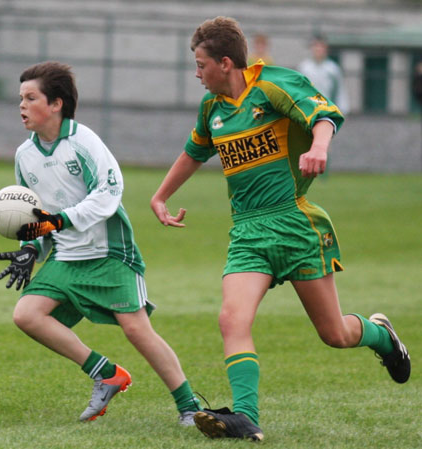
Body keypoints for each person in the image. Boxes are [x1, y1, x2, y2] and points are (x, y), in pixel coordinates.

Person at [150, 16, 410, 442]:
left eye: (201, 64)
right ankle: (245, 417)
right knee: (231, 319)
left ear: (226, 62)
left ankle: (382, 336)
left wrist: (320, 147)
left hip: (294, 223)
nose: (196, 73)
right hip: (248, 233)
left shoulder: (273, 85)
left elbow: (324, 115)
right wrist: (159, 196)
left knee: (335, 334)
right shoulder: (212, 109)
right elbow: (194, 151)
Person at [0, 61, 201, 425]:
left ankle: (189, 407)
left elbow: (109, 192)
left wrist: (60, 220)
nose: (22, 106)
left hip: (110, 253)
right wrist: (31, 249)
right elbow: (35, 212)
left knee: (137, 329)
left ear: (56, 103)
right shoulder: (24, 156)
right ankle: (105, 373)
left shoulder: (83, 142)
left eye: (31, 98)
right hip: (66, 256)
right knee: (26, 314)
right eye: (20, 98)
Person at [298, 34, 350, 115]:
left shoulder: (333, 68)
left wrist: (343, 109)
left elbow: (340, 90)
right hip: (308, 111)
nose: (318, 49)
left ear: (326, 49)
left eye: (321, 46)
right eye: (316, 46)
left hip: (327, 111)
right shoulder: (304, 67)